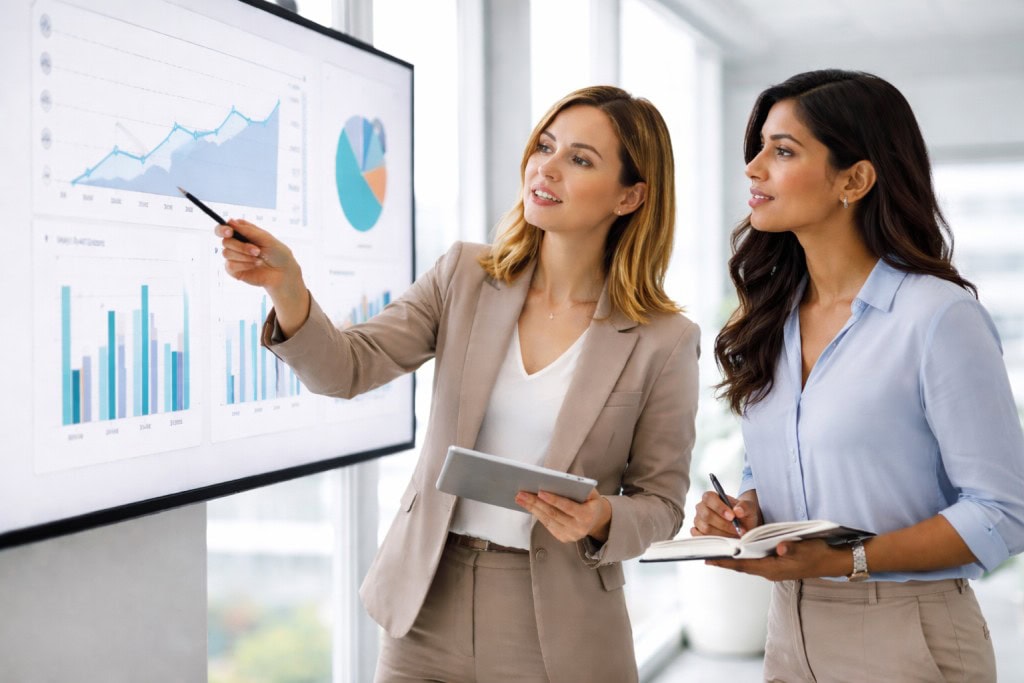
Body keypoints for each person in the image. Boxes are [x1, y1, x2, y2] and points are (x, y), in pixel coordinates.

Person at [217, 85, 699, 682]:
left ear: (631, 195)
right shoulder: (465, 277)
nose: (545, 167)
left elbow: (662, 503)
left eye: (580, 159)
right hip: (427, 598)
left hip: (557, 621)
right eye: (544, 146)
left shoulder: (663, 338)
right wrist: (285, 287)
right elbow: (347, 368)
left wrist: (602, 517)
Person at [692, 68, 1024, 682]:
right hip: (789, 630)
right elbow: (773, 470)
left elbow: (1003, 512)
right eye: (759, 147)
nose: (753, 168)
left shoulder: (937, 317)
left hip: (906, 631)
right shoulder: (773, 319)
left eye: (783, 150)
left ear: (855, 179)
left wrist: (844, 560)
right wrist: (744, 511)